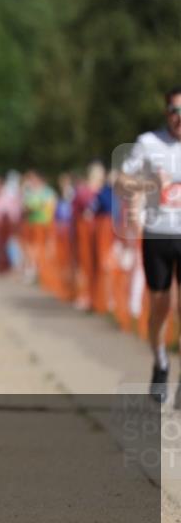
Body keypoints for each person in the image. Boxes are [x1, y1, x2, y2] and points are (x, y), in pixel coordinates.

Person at [116, 85, 181, 403]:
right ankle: (161, 361)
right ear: (166, 112)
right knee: (160, 307)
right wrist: (150, 183)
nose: (179, 118)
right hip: (158, 234)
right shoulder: (149, 143)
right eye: (175, 111)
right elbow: (121, 181)